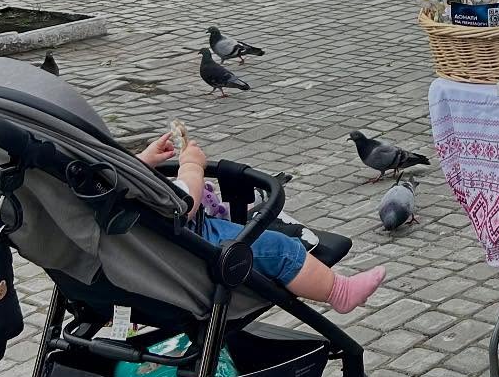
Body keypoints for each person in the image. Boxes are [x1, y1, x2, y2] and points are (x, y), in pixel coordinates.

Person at [137, 131, 385, 313]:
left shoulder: (108, 190)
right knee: (279, 249)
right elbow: (183, 206)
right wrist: (192, 166)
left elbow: (116, 179)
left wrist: (140, 162)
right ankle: (339, 291)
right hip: (188, 243)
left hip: (145, 249)